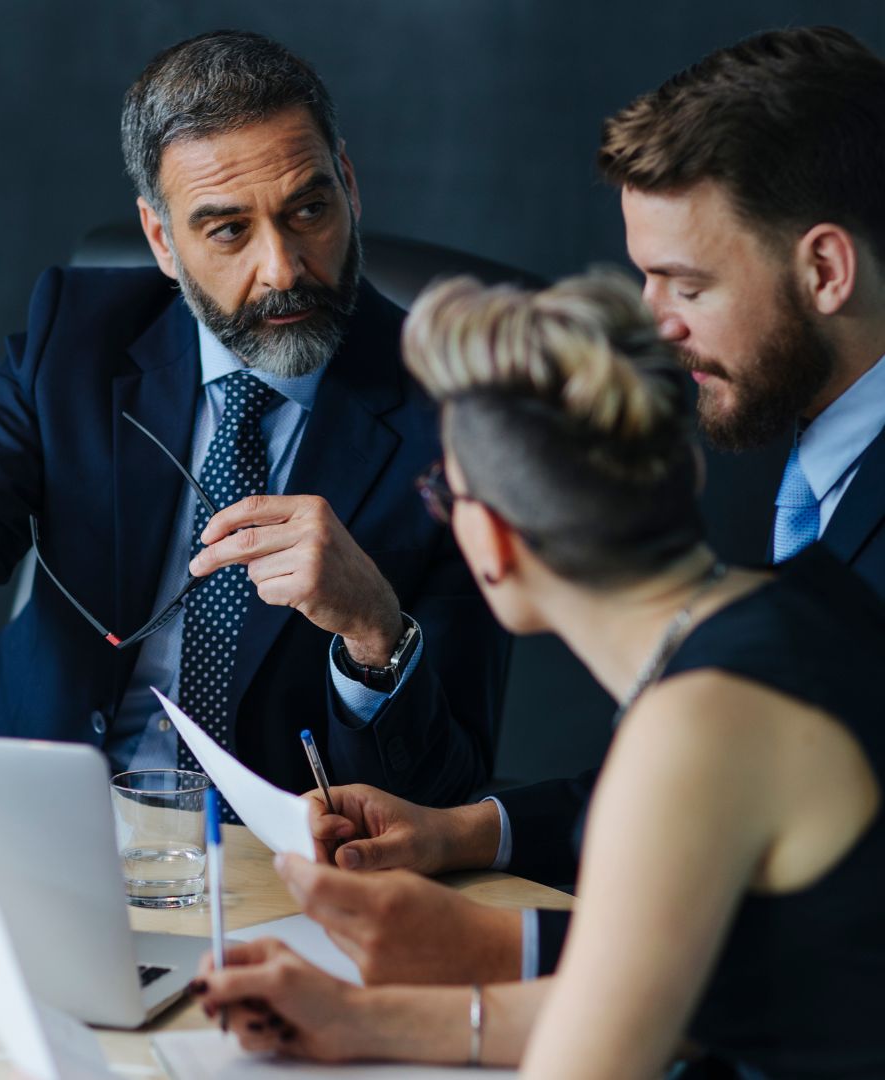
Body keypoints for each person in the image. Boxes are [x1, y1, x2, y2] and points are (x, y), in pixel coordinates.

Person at [273, 22, 885, 987]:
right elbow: (726, 800)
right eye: (642, 274)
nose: (652, 324)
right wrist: (469, 832)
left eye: (686, 282)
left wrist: (490, 953)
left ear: (823, 271)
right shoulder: (819, 449)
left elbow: (831, 952)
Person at [194, 270, 885, 1077]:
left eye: (439, 492)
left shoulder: (696, 729)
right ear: (681, 471)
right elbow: (650, 996)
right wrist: (357, 1018)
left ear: (492, 541)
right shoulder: (814, 606)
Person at [0, 30, 508, 807]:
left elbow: (448, 781)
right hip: (10, 783)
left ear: (348, 183)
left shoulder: (458, 420)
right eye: (229, 230)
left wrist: (375, 630)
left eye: (309, 209)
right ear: (162, 241)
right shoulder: (76, 336)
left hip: (254, 857)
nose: (281, 268)